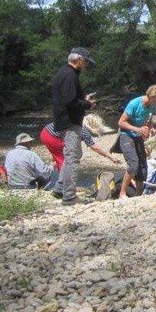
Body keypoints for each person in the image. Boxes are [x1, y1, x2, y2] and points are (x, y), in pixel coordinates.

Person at [51, 47, 97, 205]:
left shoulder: (64, 73)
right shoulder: (70, 75)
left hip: (64, 121)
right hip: (69, 122)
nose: (86, 66)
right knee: (72, 157)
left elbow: (68, 97)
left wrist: (83, 98)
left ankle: (59, 188)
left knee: (71, 155)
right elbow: (70, 101)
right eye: (86, 63)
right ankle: (69, 196)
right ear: (80, 60)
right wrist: (87, 103)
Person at [40, 115, 121, 197]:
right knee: (67, 161)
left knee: (63, 158)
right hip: (52, 137)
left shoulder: (76, 122)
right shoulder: (83, 130)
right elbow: (95, 147)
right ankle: (63, 190)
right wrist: (111, 157)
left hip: (45, 132)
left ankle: (56, 182)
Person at [117, 84, 156, 199]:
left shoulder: (152, 106)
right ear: (151, 97)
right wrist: (138, 129)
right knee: (133, 164)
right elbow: (121, 122)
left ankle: (139, 195)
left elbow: (149, 119)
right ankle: (122, 192)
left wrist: (151, 128)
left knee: (142, 167)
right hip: (126, 135)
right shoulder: (134, 103)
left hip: (138, 137)